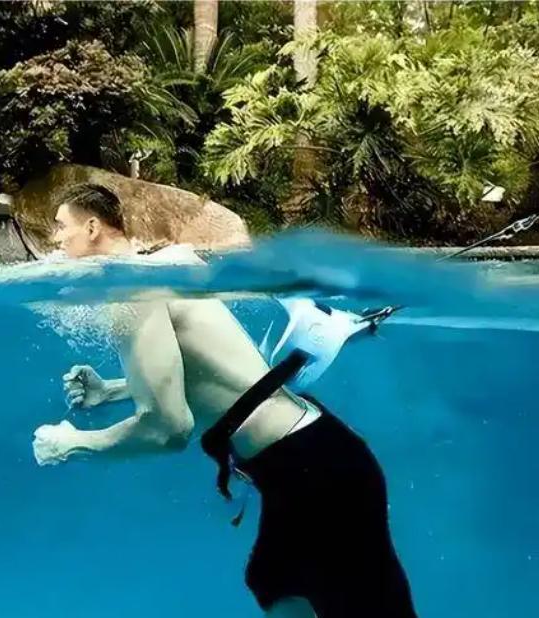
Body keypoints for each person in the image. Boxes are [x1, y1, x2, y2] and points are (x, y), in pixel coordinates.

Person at [31, 183, 417, 618]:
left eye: (60, 227)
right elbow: (200, 375)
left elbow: (168, 429)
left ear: (92, 227)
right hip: (312, 462)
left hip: (316, 472)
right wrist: (111, 391)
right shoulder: (161, 269)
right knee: (273, 579)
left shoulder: (131, 294)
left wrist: (74, 444)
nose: (56, 241)